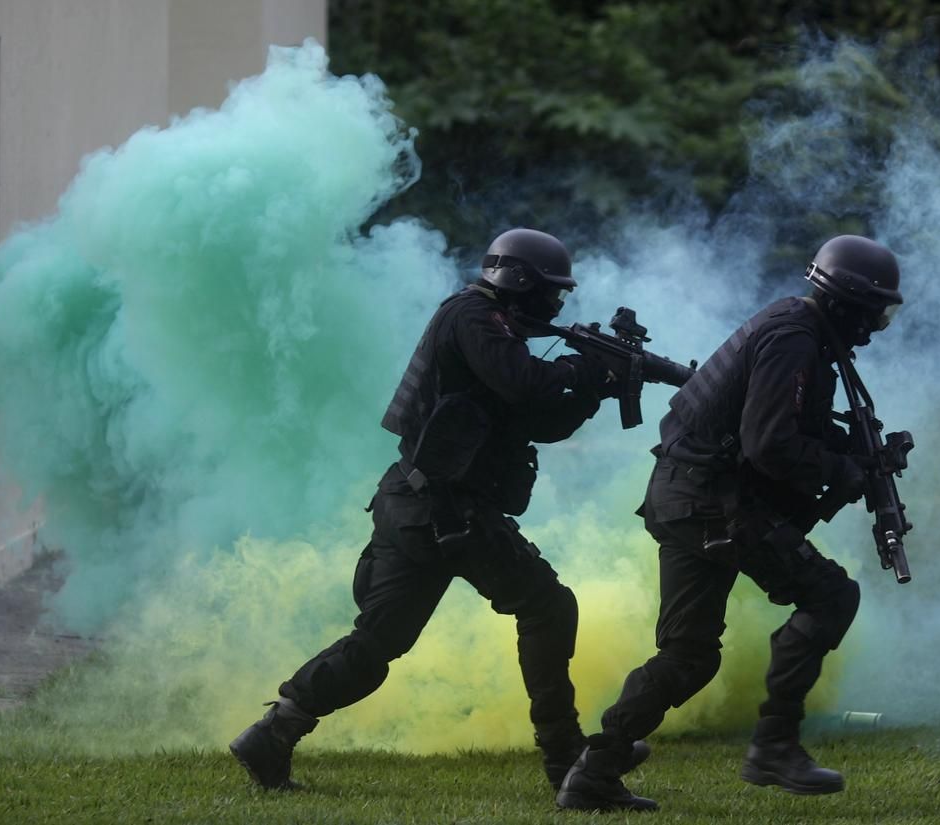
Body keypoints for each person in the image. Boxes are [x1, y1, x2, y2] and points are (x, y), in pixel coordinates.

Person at [229, 228, 644, 791]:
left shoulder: (495, 331)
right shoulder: (473, 317)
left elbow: (537, 421)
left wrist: (595, 387)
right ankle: (567, 758)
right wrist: (582, 369)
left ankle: (275, 731)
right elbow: (523, 384)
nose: (558, 303)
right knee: (548, 607)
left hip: (418, 502)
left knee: (378, 642)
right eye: (552, 291)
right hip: (446, 510)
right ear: (519, 282)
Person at [556, 235, 904, 812]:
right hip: (712, 504)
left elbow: (782, 427)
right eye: (874, 313)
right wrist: (842, 468)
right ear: (846, 303)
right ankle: (775, 745)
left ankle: (595, 770)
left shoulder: (801, 332)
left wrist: (855, 457)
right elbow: (769, 444)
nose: (875, 328)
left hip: (686, 496)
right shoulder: (795, 336)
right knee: (832, 596)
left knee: (689, 655)